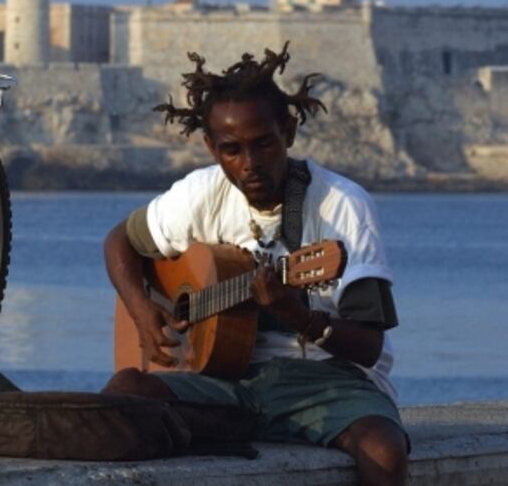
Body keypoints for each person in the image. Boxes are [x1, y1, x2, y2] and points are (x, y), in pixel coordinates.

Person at [102, 43, 408, 484]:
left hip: (325, 381)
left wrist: (300, 318)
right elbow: (120, 242)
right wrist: (141, 309)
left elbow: (369, 345)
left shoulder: (343, 206)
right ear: (211, 148)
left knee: (384, 450)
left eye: (264, 144)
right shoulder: (200, 193)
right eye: (232, 150)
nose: (250, 164)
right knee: (124, 394)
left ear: (289, 132)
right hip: (222, 379)